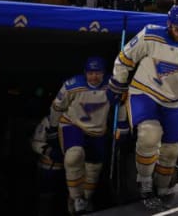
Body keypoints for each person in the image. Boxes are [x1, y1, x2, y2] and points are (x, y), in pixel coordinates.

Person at [107, 5, 178, 207]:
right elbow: (125, 58)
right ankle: (145, 184)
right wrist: (118, 82)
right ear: (169, 24)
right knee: (150, 134)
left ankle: (163, 188)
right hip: (143, 92)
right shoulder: (150, 34)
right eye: (177, 29)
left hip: (172, 101)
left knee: (172, 150)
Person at [46, 57, 125, 214]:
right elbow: (57, 106)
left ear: (104, 73)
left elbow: (122, 104)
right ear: (85, 73)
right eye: (91, 73)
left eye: (98, 73)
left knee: (93, 169)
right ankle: (76, 198)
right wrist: (53, 128)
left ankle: (86, 198)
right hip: (73, 124)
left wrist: (122, 126)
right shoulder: (72, 85)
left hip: (97, 130)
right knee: (74, 155)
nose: (94, 77)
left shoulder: (112, 85)